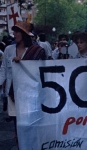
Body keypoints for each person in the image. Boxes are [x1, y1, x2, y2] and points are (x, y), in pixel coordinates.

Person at [0, 20, 45, 149]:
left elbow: (42, 71)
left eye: (17, 31)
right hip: (12, 93)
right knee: (17, 126)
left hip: (30, 94)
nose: (14, 33)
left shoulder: (36, 51)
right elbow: (3, 69)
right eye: (14, 31)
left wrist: (23, 64)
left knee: (30, 124)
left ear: (23, 34)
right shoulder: (8, 49)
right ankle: (20, 146)